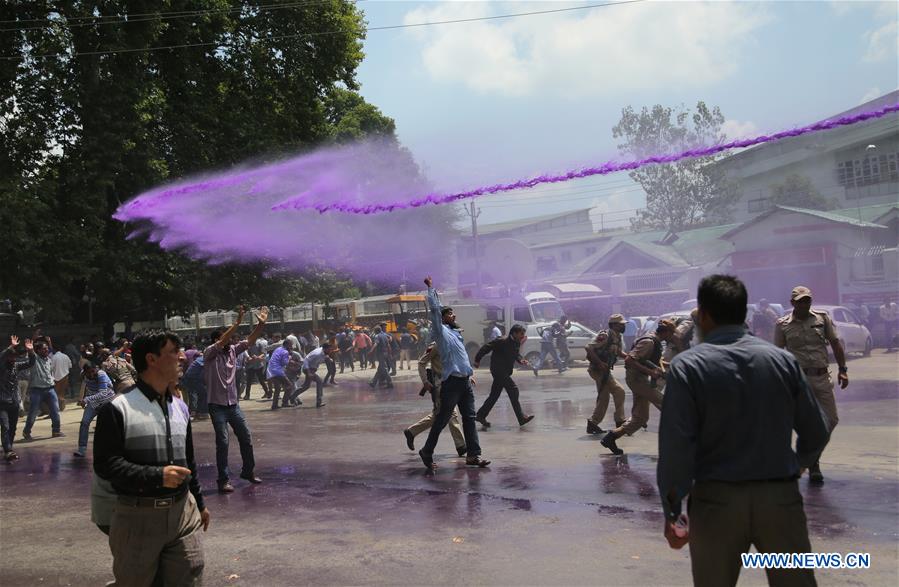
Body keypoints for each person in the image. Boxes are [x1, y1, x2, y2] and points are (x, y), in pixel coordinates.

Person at [658, 275, 829, 587]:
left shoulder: (687, 367)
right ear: (744, 314)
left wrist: (673, 510)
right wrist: (800, 464)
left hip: (716, 502)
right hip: (780, 498)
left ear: (704, 314)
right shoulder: (783, 361)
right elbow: (817, 430)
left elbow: (676, 447)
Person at [94, 331, 210, 585]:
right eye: (173, 351)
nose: (181, 357)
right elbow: (106, 464)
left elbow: (188, 461)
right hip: (137, 518)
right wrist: (157, 476)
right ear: (151, 359)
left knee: (190, 578)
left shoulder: (180, 407)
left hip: (183, 515)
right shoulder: (117, 408)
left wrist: (199, 503)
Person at [774, 286, 848, 485]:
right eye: (800, 301)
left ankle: (810, 458)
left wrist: (843, 369)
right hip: (798, 380)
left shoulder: (822, 319)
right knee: (805, 424)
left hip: (822, 377)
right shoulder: (782, 325)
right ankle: (814, 464)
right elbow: (778, 354)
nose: (804, 304)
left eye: (807, 300)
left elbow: (835, 343)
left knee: (831, 419)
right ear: (792, 304)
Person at [419, 276, 490, 470]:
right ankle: (427, 451)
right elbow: (435, 309)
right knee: (442, 419)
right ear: (442, 319)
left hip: (464, 382)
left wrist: (469, 374)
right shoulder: (441, 332)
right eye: (450, 314)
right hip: (451, 384)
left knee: (469, 418)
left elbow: (460, 359)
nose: (454, 316)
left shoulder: (456, 334)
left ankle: (473, 455)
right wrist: (431, 289)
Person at [204, 306, 268, 493]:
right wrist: (238, 322)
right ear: (217, 340)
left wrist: (261, 325)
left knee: (246, 437)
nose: (230, 340)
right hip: (217, 406)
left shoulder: (232, 350)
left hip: (233, 405)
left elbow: (250, 340)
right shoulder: (209, 352)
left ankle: (248, 471)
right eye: (226, 338)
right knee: (222, 441)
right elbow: (224, 339)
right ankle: (223, 479)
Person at [600, 319, 676, 455]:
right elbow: (630, 359)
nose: (673, 337)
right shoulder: (649, 342)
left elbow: (652, 360)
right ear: (666, 332)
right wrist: (651, 372)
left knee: (640, 418)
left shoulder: (654, 341)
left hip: (640, 379)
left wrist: (667, 367)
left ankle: (611, 437)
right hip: (636, 379)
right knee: (667, 405)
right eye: (672, 333)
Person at [403, 342, 467, 457]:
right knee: (450, 414)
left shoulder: (454, 342)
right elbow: (422, 363)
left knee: (442, 415)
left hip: (452, 384)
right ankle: (461, 446)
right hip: (440, 386)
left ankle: (412, 431)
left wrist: (467, 375)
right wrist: (425, 381)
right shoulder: (436, 345)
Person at [473, 324, 535, 428]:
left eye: (523, 334)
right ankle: (521, 418)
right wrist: (477, 359)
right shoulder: (502, 340)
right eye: (521, 334)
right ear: (514, 333)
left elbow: (516, 354)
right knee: (513, 390)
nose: (522, 336)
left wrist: (521, 360)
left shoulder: (516, 342)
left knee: (494, 395)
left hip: (505, 371)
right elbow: (486, 347)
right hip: (498, 370)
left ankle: (480, 415)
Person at [585, 314, 628, 435]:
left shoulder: (617, 337)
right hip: (597, 370)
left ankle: (593, 423)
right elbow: (588, 347)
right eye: (621, 324)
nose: (624, 326)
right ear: (614, 325)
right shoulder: (605, 335)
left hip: (605, 371)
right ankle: (619, 421)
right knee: (619, 391)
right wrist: (599, 363)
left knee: (604, 397)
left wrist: (628, 357)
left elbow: (618, 351)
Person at [22, 339, 64, 440]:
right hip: (37, 390)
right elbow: (32, 354)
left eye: (47, 348)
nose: (46, 350)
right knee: (33, 412)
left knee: (55, 410)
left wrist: (49, 343)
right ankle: (26, 432)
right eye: (44, 349)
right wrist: (30, 349)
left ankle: (56, 431)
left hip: (50, 389)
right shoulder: (34, 359)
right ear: (38, 351)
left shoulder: (48, 360)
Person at [1, 336, 34, 462]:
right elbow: (1, 357)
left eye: (14, 358)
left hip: (14, 401)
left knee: (13, 427)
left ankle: (10, 448)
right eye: (11, 357)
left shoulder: (16, 366)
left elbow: (30, 363)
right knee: (5, 426)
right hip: (2, 402)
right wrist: (11, 347)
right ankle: (8, 450)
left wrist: (30, 352)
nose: (13, 360)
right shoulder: (1, 366)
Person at [74, 363, 115, 458]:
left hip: (107, 402)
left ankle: (111, 450)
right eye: (89, 372)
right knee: (84, 423)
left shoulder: (101, 374)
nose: (92, 374)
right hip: (93, 403)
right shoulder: (84, 375)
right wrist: (82, 399)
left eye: (93, 371)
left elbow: (103, 393)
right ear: (85, 372)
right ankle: (82, 449)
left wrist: (86, 399)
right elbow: (84, 387)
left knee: (108, 426)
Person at [292, 343, 331, 408]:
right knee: (319, 381)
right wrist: (308, 372)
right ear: (325, 349)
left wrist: (328, 358)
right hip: (308, 369)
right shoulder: (317, 353)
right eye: (329, 349)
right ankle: (319, 402)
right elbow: (306, 360)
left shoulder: (323, 353)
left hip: (312, 369)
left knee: (306, 386)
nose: (330, 351)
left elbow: (323, 357)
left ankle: (292, 397)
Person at [267, 338, 294, 410]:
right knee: (289, 385)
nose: (291, 346)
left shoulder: (278, 349)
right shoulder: (285, 352)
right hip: (278, 371)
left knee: (278, 388)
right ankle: (285, 402)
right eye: (291, 345)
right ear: (287, 345)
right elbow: (284, 363)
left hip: (270, 370)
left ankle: (274, 405)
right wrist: (290, 358)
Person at [243, 333, 271, 400]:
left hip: (258, 365)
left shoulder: (259, 344)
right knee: (249, 381)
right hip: (250, 365)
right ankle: (247, 395)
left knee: (261, 380)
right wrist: (249, 357)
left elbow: (263, 353)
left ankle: (267, 393)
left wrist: (258, 357)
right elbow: (245, 352)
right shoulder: (247, 344)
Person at [50, 341, 72, 410]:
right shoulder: (66, 356)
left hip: (57, 378)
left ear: (54, 349)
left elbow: (51, 368)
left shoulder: (54, 357)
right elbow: (70, 366)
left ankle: (57, 408)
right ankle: (62, 407)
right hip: (65, 376)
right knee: (62, 393)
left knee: (56, 394)